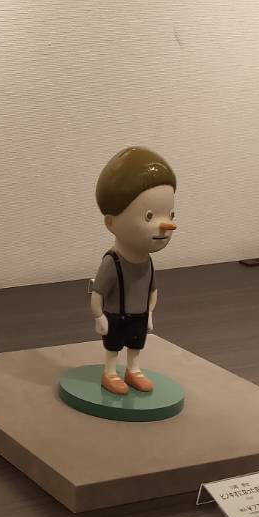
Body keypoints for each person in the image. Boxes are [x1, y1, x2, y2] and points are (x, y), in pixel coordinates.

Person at [88, 147, 178, 396]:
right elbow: (97, 294)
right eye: (149, 216)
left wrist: (149, 312)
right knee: (114, 346)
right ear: (111, 222)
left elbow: (152, 290)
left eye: (170, 214)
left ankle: (133, 370)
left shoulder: (147, 262)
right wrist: (99, 316)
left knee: (136, 344)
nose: (167, 225)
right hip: (116, 316)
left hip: (139, 315)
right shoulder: (113, 262)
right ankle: (110, 372)